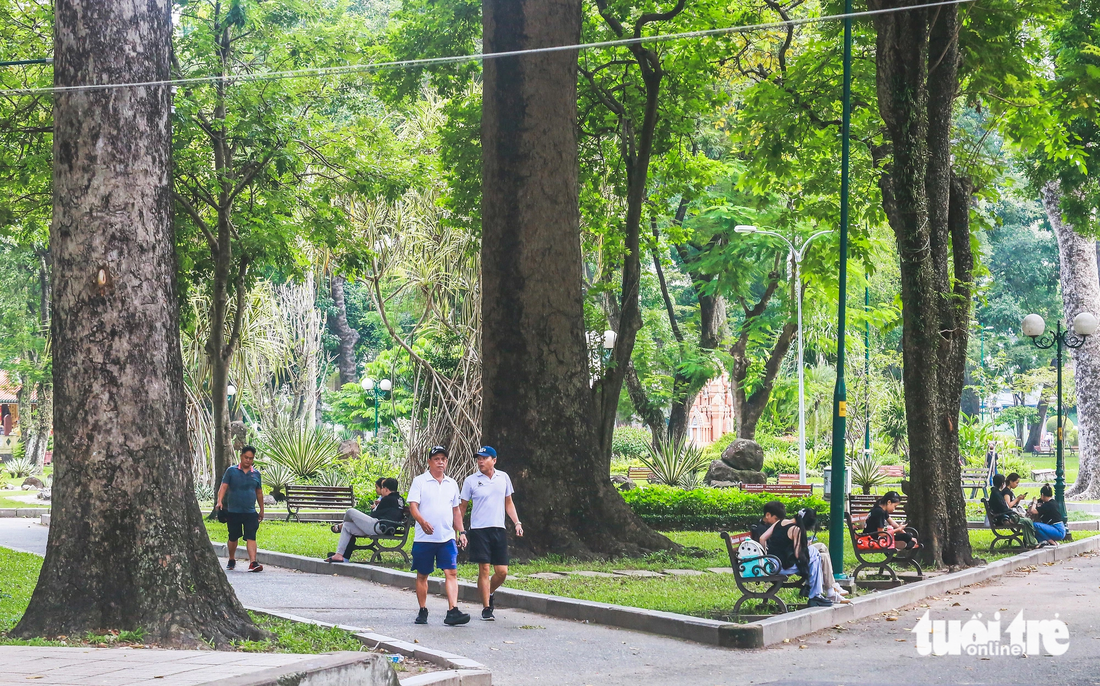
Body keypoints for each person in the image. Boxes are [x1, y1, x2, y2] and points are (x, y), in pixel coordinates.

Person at [407, 445, 470, 626]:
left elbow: (456, 510)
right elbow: (413, 506)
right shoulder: (420, 481)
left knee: (451, 572)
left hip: (446, 536)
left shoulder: (452, 483)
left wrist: (461, 531)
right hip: (424, 537)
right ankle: (423, 609)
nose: (440, 462)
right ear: (429, 462)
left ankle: (453, 610)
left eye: (443, 459)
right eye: (436, 459)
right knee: (422, 574)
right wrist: (422, 521)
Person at [460, 446, 523, 621]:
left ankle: (489, 592)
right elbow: (462, 507)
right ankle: (486, 607)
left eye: (484, 458)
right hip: (479, 530)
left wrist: (517, 522)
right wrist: (460, 530)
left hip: (498, 529)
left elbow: (508, 503)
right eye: (478, 458)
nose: (480, 461)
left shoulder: (503, 478)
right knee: (484, 569)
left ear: (493, 460)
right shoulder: (471, 481)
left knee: (502, 571)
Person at [752, 502, 847, 604]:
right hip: (784, 566)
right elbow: (798, 555)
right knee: (815, 553)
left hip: (772, 562)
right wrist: (805, 547)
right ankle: (817, 594)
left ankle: (827, 590)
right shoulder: (796, 530)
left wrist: (765, 557)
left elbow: (762, 538)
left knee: (819, 554)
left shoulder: (780, 522)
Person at [325, 477, 405, 563]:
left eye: (382, 488)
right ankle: (340, 555)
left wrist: (375, 507)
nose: (381, 490)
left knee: (350, 511)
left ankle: (339, 526)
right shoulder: (400, 499)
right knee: (347, 526)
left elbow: (373, 515)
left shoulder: (387, 499)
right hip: (386, 528)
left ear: (385, 489)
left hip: (379, 526)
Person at [216, 445, 265, 572]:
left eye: (251, 458)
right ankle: (231, 558)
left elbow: (259, 493)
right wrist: (219, 501)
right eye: (246, 457)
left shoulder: (256, 474)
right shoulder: (231, 471)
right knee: (233, 537)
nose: (248, 460)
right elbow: (223, 487)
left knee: (251, 536)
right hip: (234, 511)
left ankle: (253, 562)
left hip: (250, 512)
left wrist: (261, 509)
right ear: (241, 456)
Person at [989, 473, 1038, 547]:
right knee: (1026, 521)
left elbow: (1004, 507)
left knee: (1027, 521)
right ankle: (1032, 543)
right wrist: (1013, 513)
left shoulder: (996, 493)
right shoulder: (997, 494)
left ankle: (1032, 542)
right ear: (1002, 484)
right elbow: (1005, 508)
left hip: (1002, 516)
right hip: (1002, 519)